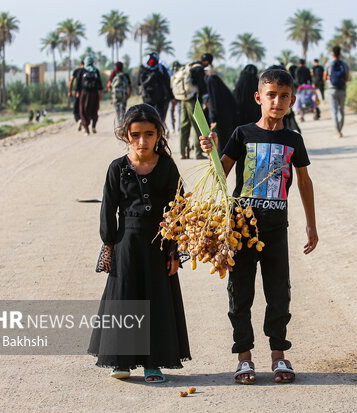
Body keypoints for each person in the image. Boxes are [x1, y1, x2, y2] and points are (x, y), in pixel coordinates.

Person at [199, 69, 318, 385]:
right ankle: (244, 358)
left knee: (279, 293)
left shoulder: (293, 140)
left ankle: (279, 356)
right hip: (241, 229)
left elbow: (304, 182)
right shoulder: (242, 134)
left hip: (276, 229)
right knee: (240, 293)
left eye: (283, 96)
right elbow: (220, 174)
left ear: (292, 100)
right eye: (271, 95)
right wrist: (210, 151)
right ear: (258, 98)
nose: (277, 102)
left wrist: (311, 225)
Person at [88, 104, 191, 382]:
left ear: (159, 134)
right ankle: (120, 361)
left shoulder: (167, 167)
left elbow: (178, 208)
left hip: (158, 246)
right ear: (126, 135)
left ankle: (153, 363)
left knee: (155, 301)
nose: (142, 141)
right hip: (127, 246)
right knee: (126, 301)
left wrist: (173, 250)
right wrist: (109, 246)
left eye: (149, 134)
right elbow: (108, 210)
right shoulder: (117, 168)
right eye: (135, 135)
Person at [172, 53, 211, 160]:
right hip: (193, 99)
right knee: (197, 125)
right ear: (207, 61)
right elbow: (202, 87)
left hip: (183, 98)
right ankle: (198, 152)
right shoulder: (198, 69)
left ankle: (182, 152)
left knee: (184, 125)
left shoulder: (189, 66)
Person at [137, 53, 174, 123]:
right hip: (156, 97)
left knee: (152, 116)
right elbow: (167, 83)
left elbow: (138, 83)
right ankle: (157, 129)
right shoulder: (161, 68)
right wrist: (172, 97)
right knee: (157, 117)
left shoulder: (143, 68)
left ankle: (154, 130)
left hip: (151, 97)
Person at [205, 73, 236, 153]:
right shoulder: (225, 92)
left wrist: (212, 120)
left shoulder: (213, 97)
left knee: (219, 143)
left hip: (217, 123)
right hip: (227, 121)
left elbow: (213, 109)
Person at [323, 46, 350, 137]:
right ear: (340, 53)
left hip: (332, 90)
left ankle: (337, 131)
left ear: (332, 54)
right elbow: (347, 78)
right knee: (341, 110)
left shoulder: (328, 64)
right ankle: (340, 129)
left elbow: (324, 77)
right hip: (342, 90)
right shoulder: (345, 64)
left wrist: (330, 79)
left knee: (334, 111)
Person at [76, 56, 103, 135]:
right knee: (94, 109)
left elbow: (78, 82)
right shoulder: (96, 71)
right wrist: (100, 92)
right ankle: (92, 126)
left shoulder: (82, 71)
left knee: (83, 110)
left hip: (85, 94)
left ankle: (87, 128)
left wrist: (77, 92)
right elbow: (99, 83)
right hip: (94, 94)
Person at [68, 61, 85, 130]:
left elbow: (71, 80)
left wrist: (69, 91)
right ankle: (84, 122)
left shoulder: (77, 71)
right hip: (87, 92)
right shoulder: (88, 71)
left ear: (80, 65)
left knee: (76, 109)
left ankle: (78, 120)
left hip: (78, 93)